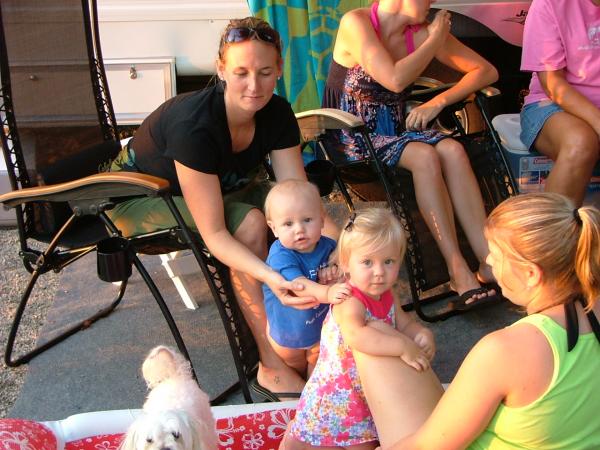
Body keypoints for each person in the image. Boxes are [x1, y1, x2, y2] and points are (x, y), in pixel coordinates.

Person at [107, 17, 338, 400]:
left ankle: (311, 338)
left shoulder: (277, 112)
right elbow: (215, 234)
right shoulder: (195, 125)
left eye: (265, 72)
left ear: (279, 69)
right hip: (137, 197)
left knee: (291, 215)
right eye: (241, 72)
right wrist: (272, 277)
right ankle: (272, 362)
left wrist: (346, 253)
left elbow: (300, 198)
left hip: (221, 189)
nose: (254, 85)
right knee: (250, 223)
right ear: (220, 70)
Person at [362, 193, 600, 449]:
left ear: (531, 274)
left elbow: (426, 446)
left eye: (496, 255)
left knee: (373, 336)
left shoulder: (505, 351)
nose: (488, 260)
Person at [323, 0, 500, 307]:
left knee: (453, 150)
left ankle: (488, 261)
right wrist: (434, 40)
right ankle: (457, 269)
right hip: (353, 135)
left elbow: (487, 70)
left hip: (397, 131)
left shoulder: (418, 33)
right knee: (425, 155)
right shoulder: (357, 23)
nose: (432, 2)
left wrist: (439, 101)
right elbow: (394, 78)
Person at [280, 208, 444, 450]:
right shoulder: (350, 299)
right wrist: (402, 346)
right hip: (339, 391)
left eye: (388, 262)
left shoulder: (387, 294)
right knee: (323, 438)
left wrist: (421, 335)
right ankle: (291, 443)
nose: (379, 272)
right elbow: (357, 336)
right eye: (367, 262)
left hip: (367, 387)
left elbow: (404, 323)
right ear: (345, 264)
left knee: (363, 437)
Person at [262, 179, 350, 378]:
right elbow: (298, 284)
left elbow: (344, 264)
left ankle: (314, 396)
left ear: (321, 220)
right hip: (288, 333)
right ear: (274, 228)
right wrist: (328, 292)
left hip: (318, 327)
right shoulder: (280, 255)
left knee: (317, 364)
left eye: (307, 220)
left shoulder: (328, 246)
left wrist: (334, 269)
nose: (299, 229)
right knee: (293, 366)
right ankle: (297, 388)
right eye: (288, 223)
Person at [520, 0, 600, 207]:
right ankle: (552, 236)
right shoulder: (549, 4)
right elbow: (552, 84)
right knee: (580, 142)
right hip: (551, 105)